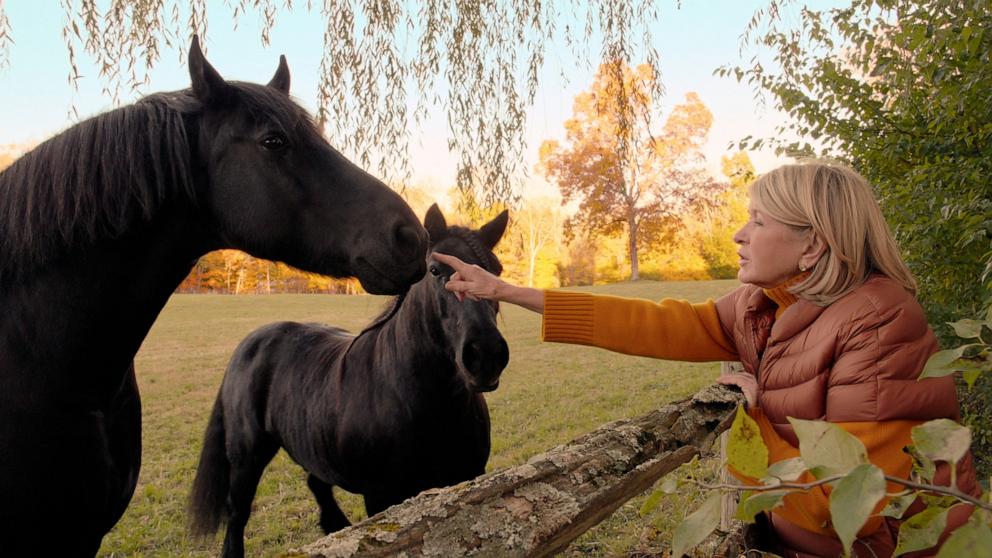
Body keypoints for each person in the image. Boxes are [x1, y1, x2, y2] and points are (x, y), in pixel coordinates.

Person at [433, 162, 981, 558]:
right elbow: (658, 324)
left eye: (759, 222)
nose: (739, 235)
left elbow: (852, 509)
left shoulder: (880, 324)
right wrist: (509, 292)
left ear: (812, 246)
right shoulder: (764, 304)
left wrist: (754, 421)